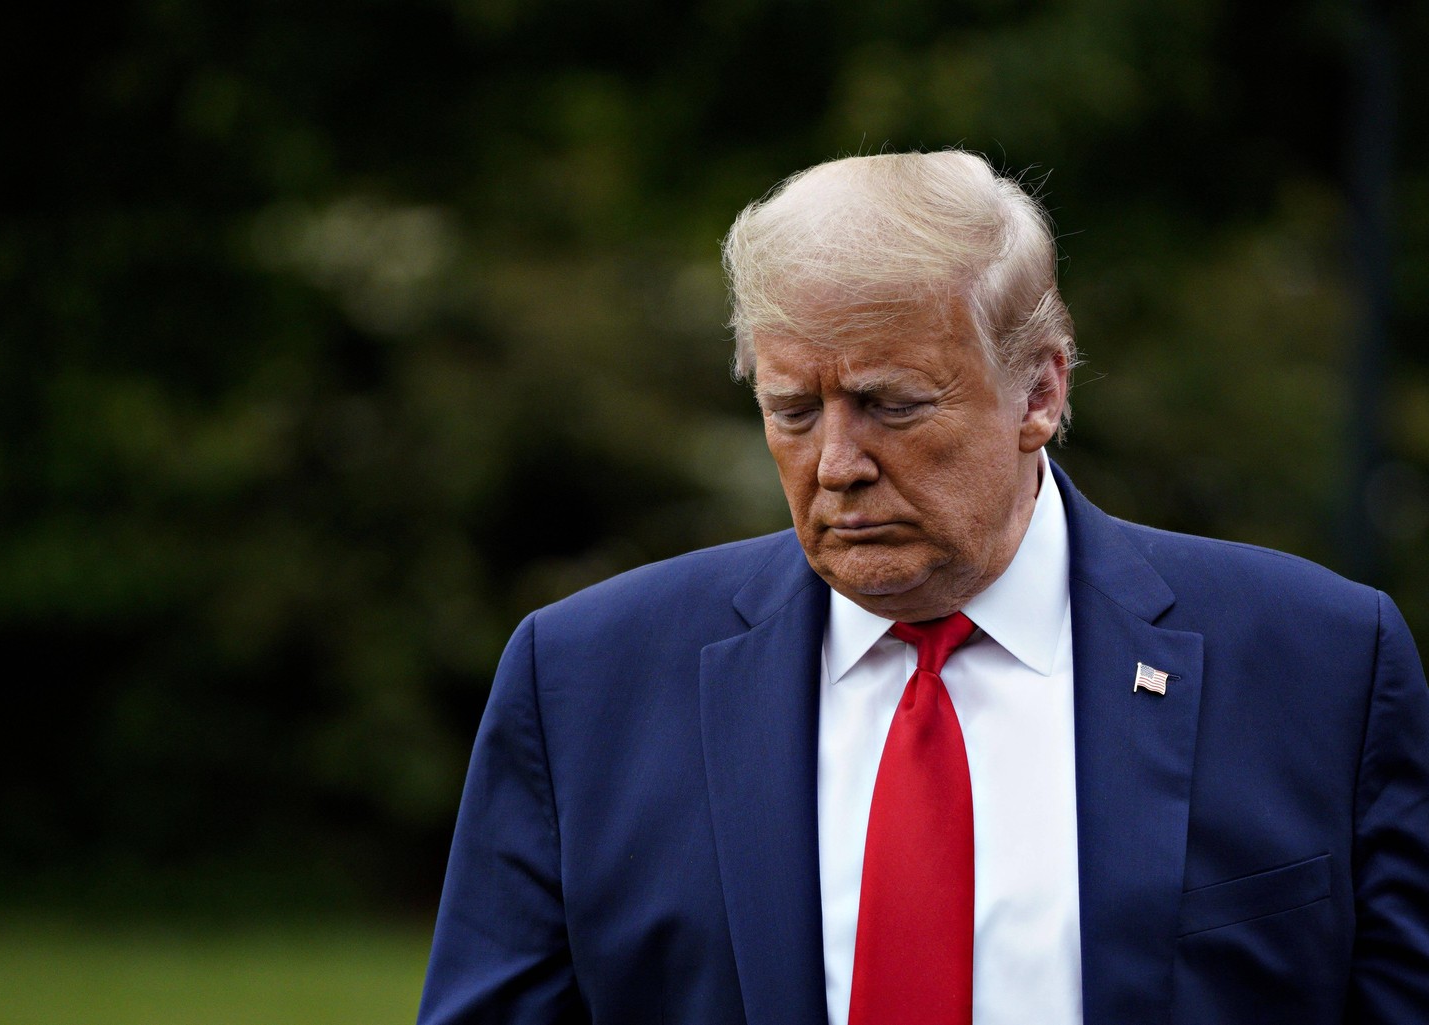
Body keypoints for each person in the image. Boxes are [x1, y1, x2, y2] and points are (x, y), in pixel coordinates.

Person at [417, 150, 1429, 1025]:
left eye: (888, 404)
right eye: (792, 409)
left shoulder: (1322, 664)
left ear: (1040, 389)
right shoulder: (586, 682)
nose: (836, 462)